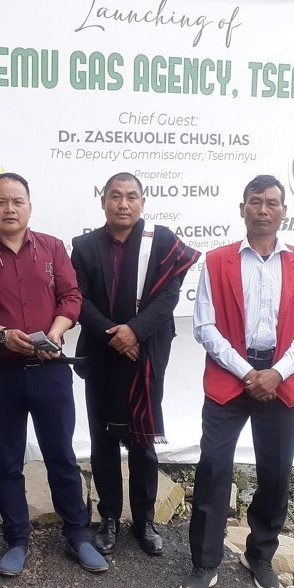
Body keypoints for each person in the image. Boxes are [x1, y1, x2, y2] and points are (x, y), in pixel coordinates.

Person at [0, 172, 107, 577]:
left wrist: (57, 330)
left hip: (50, 372)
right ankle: (17, 538)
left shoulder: (53, 248)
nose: (9, 208)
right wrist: (1, 335)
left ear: (29, 206)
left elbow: (72, 296)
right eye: (0, 201)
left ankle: (77, 534)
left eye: (17, 201)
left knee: (61, 457)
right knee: (7, 461)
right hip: (0, 374)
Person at [180, 175, 294, 588]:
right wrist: (247, 373)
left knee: (275, 473)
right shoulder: (218, 260)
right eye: (255, 202)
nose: (263, 210)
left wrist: (276, 373)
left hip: (282, 379)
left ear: (283, 212)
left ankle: (259, 554)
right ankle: (204, 564)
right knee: (214, 469)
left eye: (272, 203)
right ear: (242, 208)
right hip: (230, 377)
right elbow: (205, 326)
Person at [71, 172, 199, 558]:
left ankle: (144, 520)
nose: (123, 204)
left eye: (131, 197)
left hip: (144, 355)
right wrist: (115, 333)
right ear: (103, 201)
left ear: (142, 202)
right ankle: (108, 517)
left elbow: (169, 299)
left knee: (142, 442)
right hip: (102, 353)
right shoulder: (84, 246)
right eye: (115, 196)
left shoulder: (160, 242)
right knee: (103, 439)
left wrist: (134, 333)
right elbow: (78, 299)